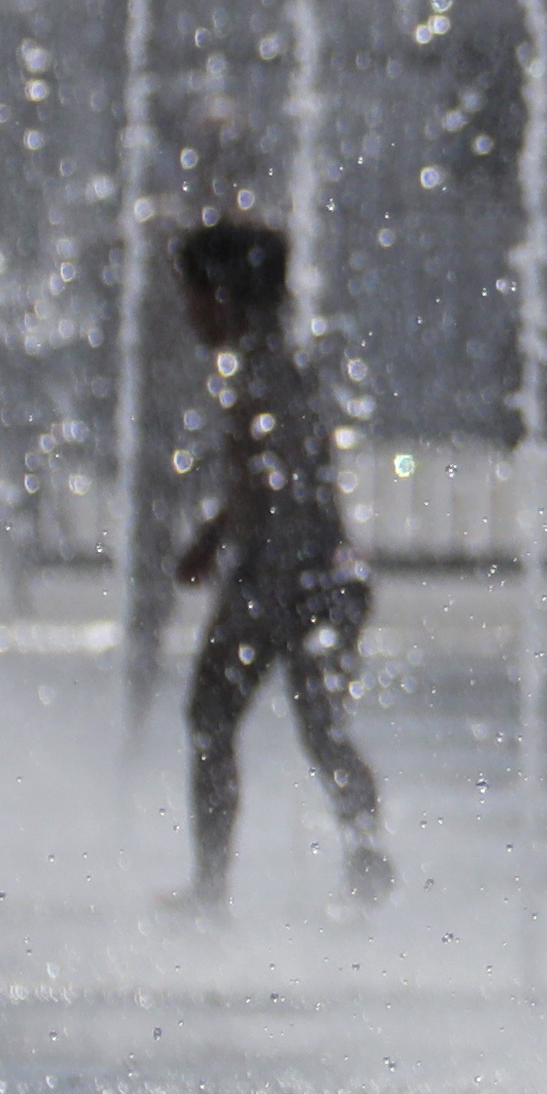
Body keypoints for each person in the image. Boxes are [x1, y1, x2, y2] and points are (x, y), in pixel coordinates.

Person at [167, 220, 388, 916]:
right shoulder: (276, 360)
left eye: (194, 296)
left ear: (225, 296)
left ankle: (211, 889)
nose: (189, 313)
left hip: (286, 574)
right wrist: (212, 537)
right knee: (321, 729)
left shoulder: (262, 370)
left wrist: (216, 543)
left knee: (213, 714)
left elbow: (270, 481)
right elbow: (270, 476)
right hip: (316, 569)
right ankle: (365, 852)